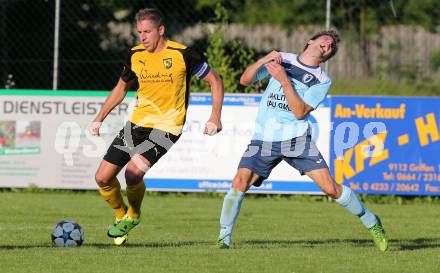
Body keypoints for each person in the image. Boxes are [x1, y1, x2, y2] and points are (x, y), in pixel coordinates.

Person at [216, 30, 388, 252]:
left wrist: (284, 80)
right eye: (326, 40)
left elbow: (299, 112)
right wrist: (264, 59)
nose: (329, 44)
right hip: (264, 137)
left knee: (331, 189)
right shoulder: (282, 59)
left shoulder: (322, 80)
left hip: (296, 139)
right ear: (311, 41)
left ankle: (372, 222)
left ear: (328, 55)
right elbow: (245, 80)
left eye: (333, 46)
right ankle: (224, 238)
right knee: (239, 182)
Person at [90, 8, 224, 245]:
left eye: (147, 31)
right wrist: (100, 117)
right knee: (102, 178)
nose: (142, 37)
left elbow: (215, 80)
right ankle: (121, 216)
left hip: (167, 127)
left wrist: (215, 116)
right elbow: (121, 88)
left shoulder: (183, 54)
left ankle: (134, 214)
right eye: (139, 31)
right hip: (137, 124)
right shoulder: (135, 55)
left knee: (133, 173)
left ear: (161, 30)